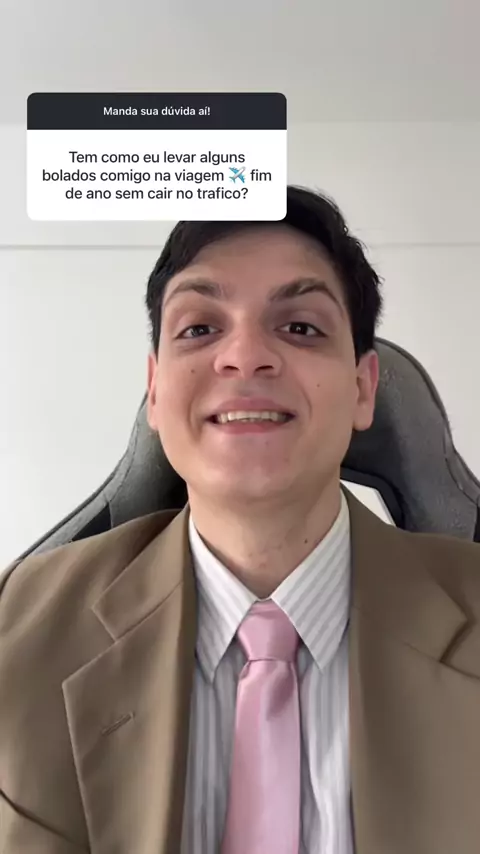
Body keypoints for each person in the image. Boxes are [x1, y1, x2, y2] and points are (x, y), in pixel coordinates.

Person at [1, 186, 480, 854]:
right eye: (200, 328)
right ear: (156, 391)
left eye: (300, 327)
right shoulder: (19, 627)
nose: (246, 356)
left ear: (363, 388)